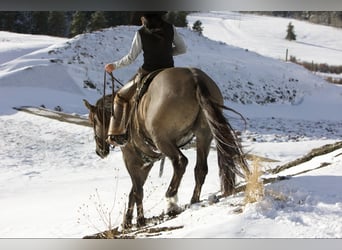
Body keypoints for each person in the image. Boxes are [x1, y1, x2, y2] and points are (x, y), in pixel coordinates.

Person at [105, 11, 187, 145]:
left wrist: (113, 66)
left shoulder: (141, 33)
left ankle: (116, 134)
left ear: (144, 17)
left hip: (148, 73)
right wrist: (167, 52)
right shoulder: (170, 28)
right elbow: (182, 49)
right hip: (168, 72)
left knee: (120, 97)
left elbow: (130, 58)